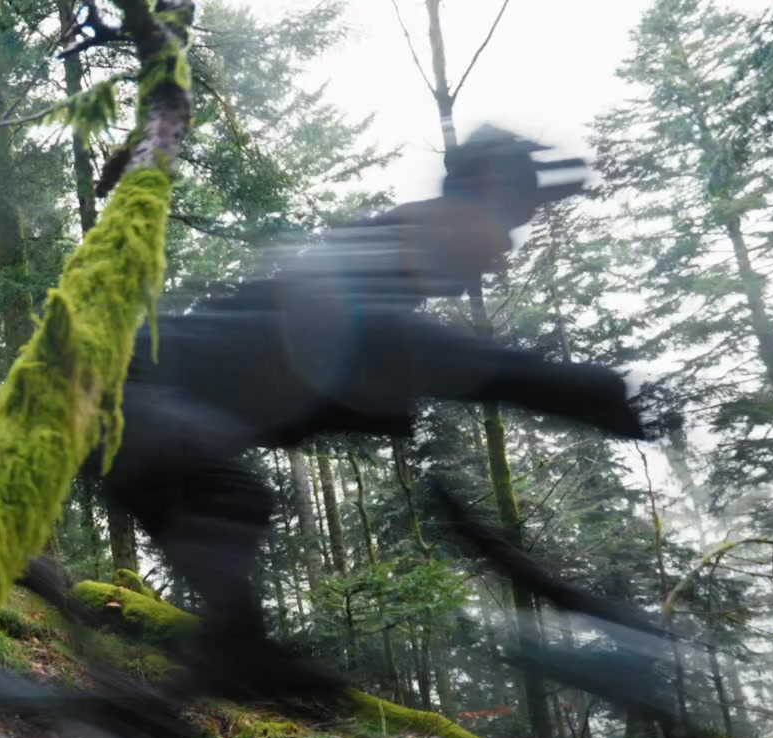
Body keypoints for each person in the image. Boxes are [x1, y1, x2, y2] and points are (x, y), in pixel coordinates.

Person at [44, 126, 650, 707]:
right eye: (504, 226)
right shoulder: (375, 264)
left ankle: (160, 708)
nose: (502, 253)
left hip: (136, 405)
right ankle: (201, 671)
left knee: (233, 515)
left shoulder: (387, 263)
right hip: (122, 395)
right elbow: (427, 350)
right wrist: (589, 391)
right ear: (467, 211)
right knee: (227, 499)